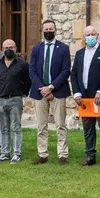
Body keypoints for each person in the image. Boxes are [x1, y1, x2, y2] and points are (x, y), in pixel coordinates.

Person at [29, 19, 72, 164]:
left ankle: (62, 154)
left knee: (60, 124)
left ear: (55, 30)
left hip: (58, 90)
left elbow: (66, 70)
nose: (48, 31)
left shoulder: (63, 48)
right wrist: (42, 88)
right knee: (41, 125)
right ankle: (42, 154)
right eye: (46, 29)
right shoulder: (36, 49)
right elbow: (32, 70)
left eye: (51, 29)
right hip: (39, 91)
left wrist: (51, 87)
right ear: (42, 31)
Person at [72, 25, 100, 166]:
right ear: (84, 37)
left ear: (97, 35)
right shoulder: (79, 53)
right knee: (88, 128)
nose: (90, 37)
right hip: (84, 97)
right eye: (87, 34)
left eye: (92, 34)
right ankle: (90, 155)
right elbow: (74, 74)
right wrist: (77, 93)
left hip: (99, 97)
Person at [0, 39, 30, 163]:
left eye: (11, 47)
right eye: (6, 47)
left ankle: (16, 153)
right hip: (1, 100)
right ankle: (5, 153)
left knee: (16, 127)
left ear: (15, 49)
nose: (8, 49)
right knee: (3, 128)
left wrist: (21, 93)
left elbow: (28, 81)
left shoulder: (23, 64)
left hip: (15, 99)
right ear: (2, 49)